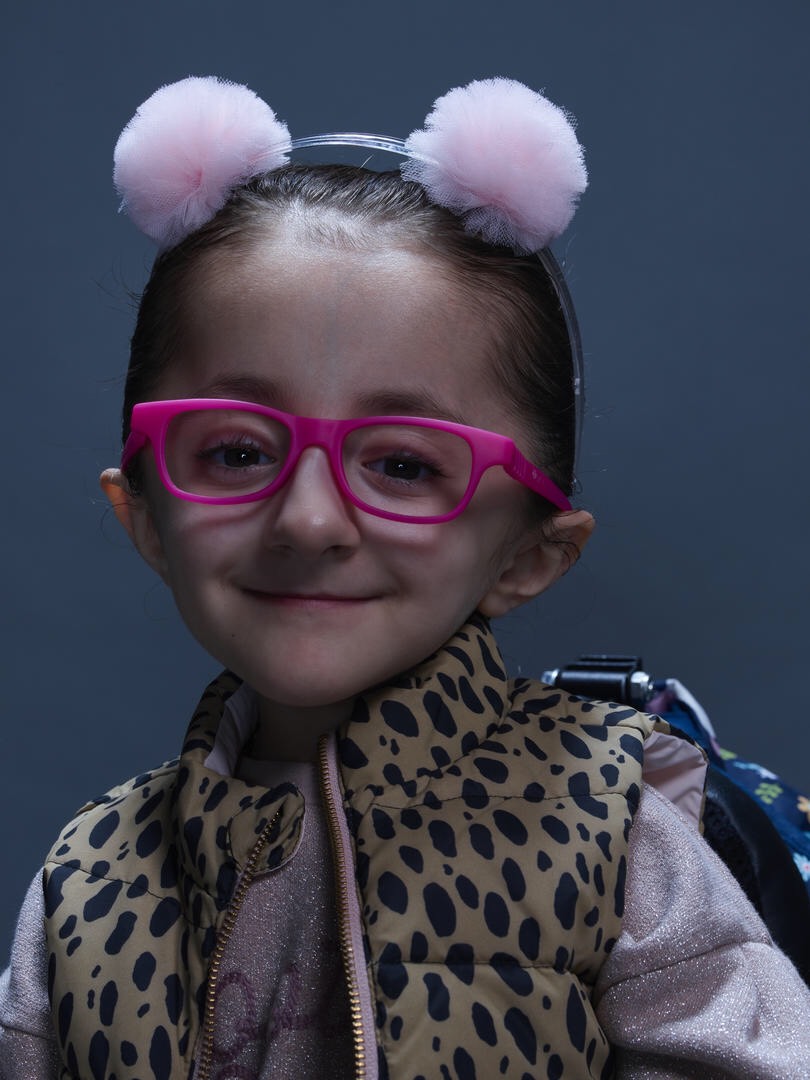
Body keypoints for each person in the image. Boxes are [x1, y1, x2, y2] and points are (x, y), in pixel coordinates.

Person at [1, 75, 808, 1080]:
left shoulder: (615, 836)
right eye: (238, 452)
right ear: (148, 519)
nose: (308, 518)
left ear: (528, 556)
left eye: (404, 465)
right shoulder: (88, 881)